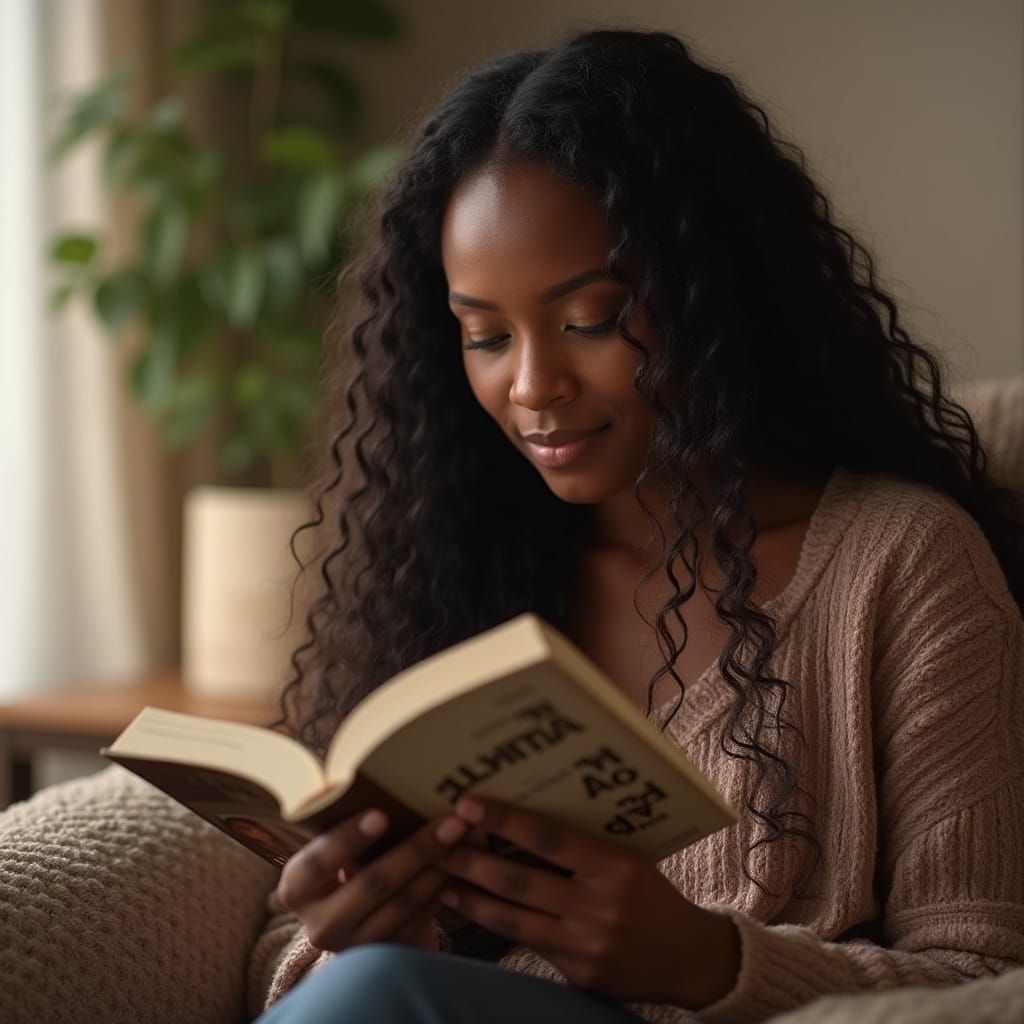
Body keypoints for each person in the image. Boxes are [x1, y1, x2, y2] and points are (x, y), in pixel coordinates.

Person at [250, 26, 1024, 1024]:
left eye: (590, 320)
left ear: (714, 297)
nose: (531, 385)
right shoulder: (454, 573)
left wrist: (702, 959)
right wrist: (346, 930)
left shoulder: (904, 566)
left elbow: (987, 982)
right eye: (484, 336)